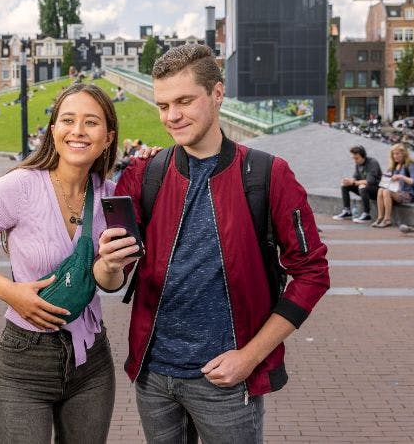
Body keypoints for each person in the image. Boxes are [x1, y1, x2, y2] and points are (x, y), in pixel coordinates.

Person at [94, 44, 329, 444]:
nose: (172, 116)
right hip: (153, 377)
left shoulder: (268, 174)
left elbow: (312, 274)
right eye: (163, 104)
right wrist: (109, 265)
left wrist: (250, 358)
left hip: (227, 381)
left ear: (217, 93)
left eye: (184, 101)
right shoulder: (145, 173)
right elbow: (111, 281)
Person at [0, 83, 119, 443]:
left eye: (91, 123)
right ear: (54, 131)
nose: (77, 131)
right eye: (68, 120)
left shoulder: (111, 199)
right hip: (25, 358)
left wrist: (110, 266)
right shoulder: (18, 187)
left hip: (90, 359)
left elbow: (110, 283)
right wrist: (11, 292)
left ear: (107, 138)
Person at [332, 145, 382, 223]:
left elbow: (370, 181)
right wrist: (348, 181)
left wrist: (354, 182)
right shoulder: (358, 164)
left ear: (363, 156)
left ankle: (366, 214)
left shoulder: (372, 163)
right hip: (364, 189)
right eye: (353, 158)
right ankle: (347, 211)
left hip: (376, 190)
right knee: (344, 185)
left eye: (356, 158)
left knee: (362, 186)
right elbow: (355, 178)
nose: (355, 160)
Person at [372, 144, 414, 228]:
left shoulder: (410, 165)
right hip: (396, 191)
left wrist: (401, 176)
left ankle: (387, 219)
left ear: (403, 154)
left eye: (397, 154)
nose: (395, 156)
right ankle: (380, 217)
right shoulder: (394, 166)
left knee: (386, 191)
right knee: (381, 190)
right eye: (393, 154)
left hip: (406, 194)